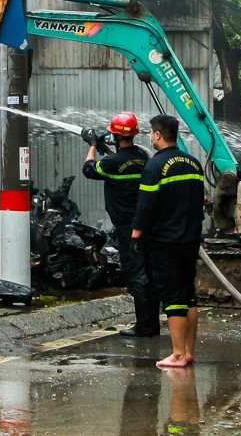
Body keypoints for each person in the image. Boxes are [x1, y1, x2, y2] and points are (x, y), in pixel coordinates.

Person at [131, 114, 206, 370]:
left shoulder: (155, 166)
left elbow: (146, 205)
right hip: (190, 239)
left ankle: (176, 355)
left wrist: (136, 234)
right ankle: (188, 351)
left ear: (158, 135)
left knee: (172, 295)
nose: (150, 137)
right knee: (188, 294)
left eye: (151, 133)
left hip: (165, 241)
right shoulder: (194, 164)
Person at [83, 111, 157, 338]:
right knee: (149, 273)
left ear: (115, 135)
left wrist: (93, 145)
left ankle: (143, 327)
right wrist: (106, 148)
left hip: (128, 227)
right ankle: (152, 324)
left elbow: (89, 169)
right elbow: (121, 161)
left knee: (136, 274)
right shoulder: (143, 157)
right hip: (149, 225)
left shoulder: (112, 163)